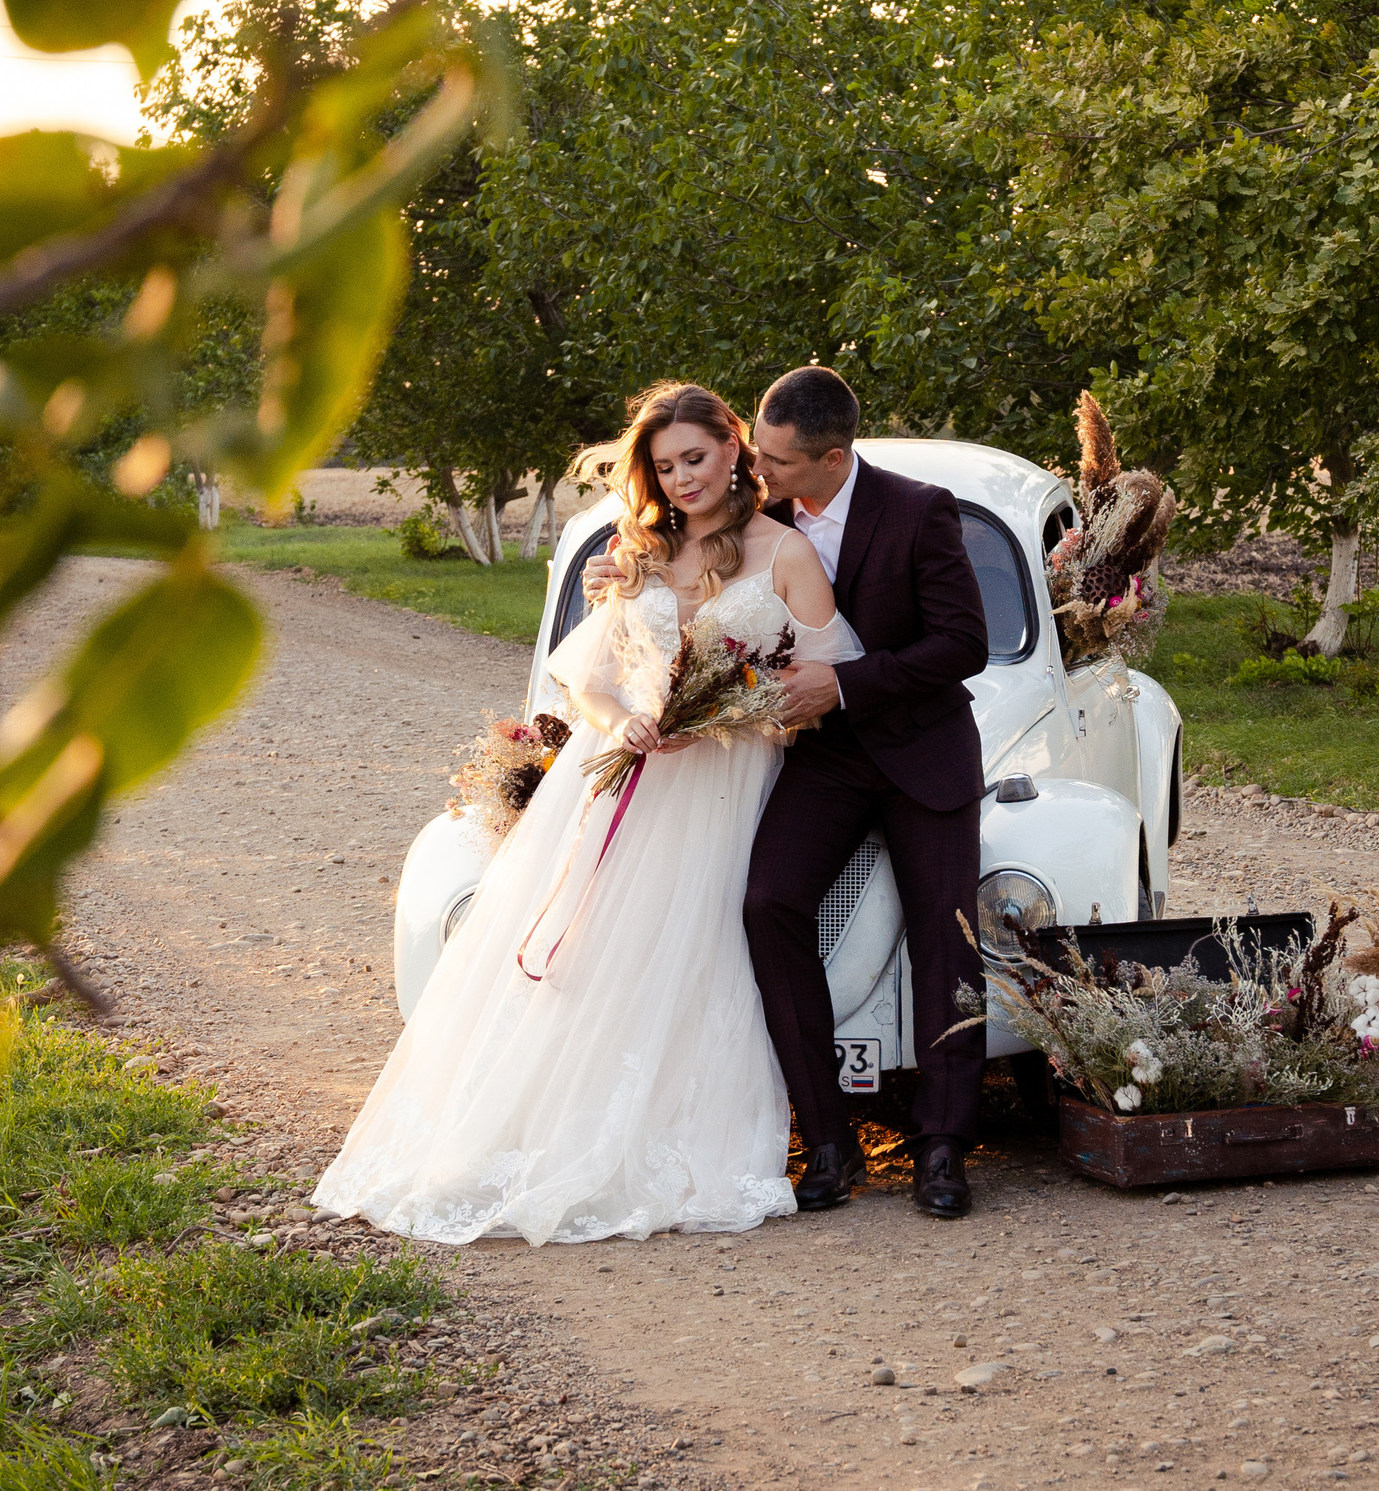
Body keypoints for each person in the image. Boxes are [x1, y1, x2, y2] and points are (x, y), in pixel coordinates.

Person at [310, 383, 857, 1245]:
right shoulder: (633, 551)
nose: (682, 478)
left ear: (733, 447)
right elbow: (589, 677)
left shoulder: (785, 551)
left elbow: (823, 686)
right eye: (666, 465)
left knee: (697, 949)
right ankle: (552, 1128)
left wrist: (734, 712)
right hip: (618, 775)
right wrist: (623, 719)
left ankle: (674, 1134)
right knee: (591, 950)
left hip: (721, 781)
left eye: (697, 457)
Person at [587, 366, 991, 1219]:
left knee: (946, 937)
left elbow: (962, 644)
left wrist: (845, 686)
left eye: (775, 461)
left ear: (832, 458)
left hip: (922, 751)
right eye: (755, 457)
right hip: (822, 758)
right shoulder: (756, 520)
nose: (757, 473)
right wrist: (619, 580)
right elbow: (686, 572)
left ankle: (945, 1144)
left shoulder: (921, 509)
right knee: (768, 902)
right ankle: (831, 1137)